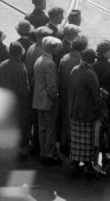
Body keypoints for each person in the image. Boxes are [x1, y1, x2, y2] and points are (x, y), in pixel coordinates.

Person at [67, 47, 104, 177]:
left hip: (74, 110)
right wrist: (100, 110)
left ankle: (74, 164)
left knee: (76, 140)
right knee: (87, 142)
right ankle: (88, 166)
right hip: (87, 113)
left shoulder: (74, 70)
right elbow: (95, 96)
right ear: (93, 61)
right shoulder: (90, 74)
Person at [33, 35, 62, 165]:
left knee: (42, 128)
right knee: (50, 128)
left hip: (38, 100)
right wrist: (55, 97)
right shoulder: (50, 63)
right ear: (52, 48)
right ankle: (48, 154)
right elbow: (52, 87)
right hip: (47, 101)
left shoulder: (39, 60)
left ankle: (43, 153)